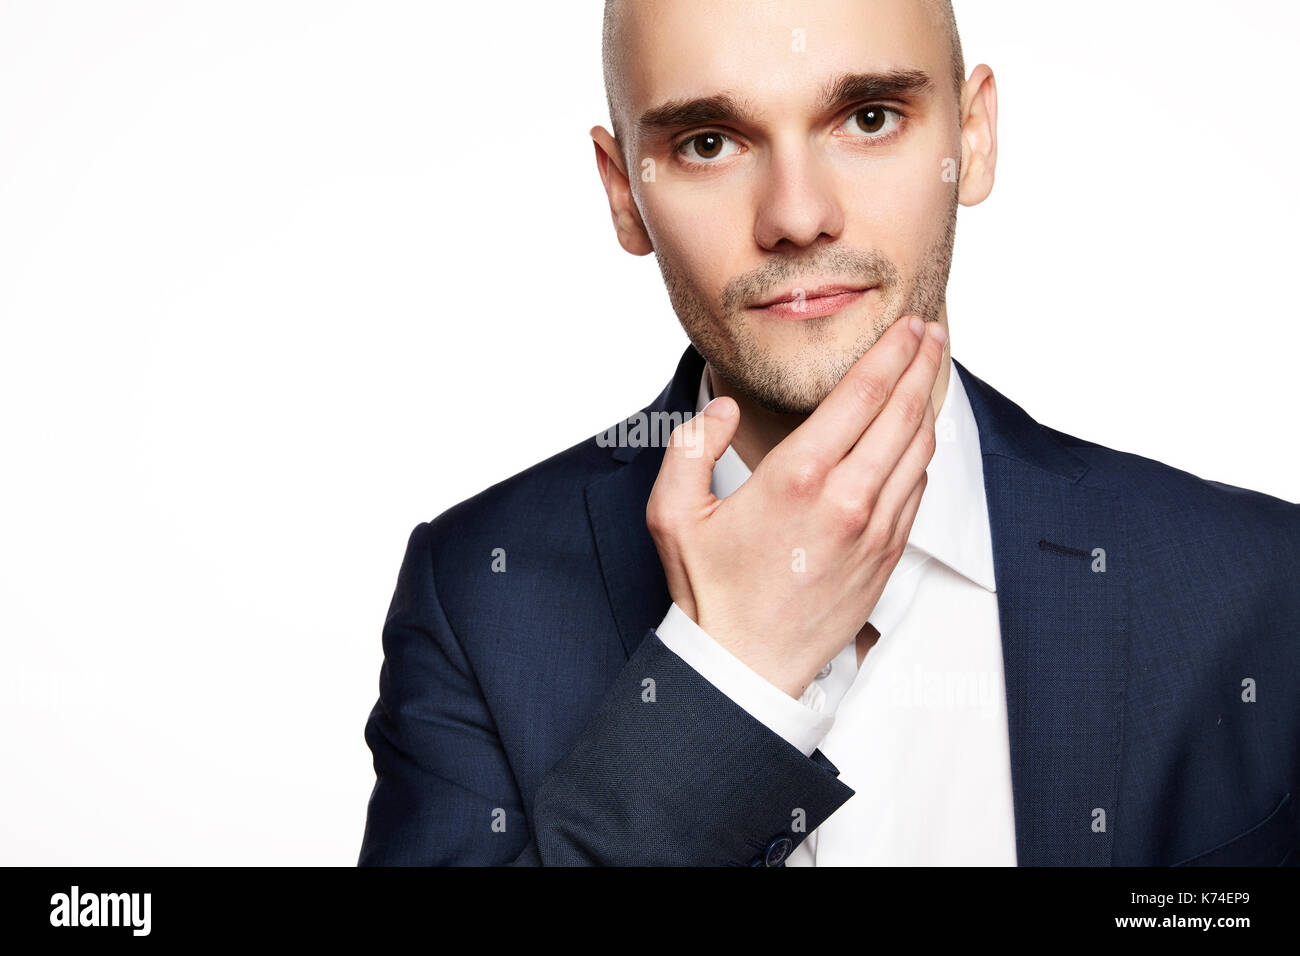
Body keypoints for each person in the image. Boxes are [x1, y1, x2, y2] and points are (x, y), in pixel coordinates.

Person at [358, 0, 1300, 866]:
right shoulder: (479, 599)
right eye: (710, 141)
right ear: (622, 193)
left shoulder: (1260, 588)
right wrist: (729, 679)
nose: (798, 217)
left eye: (870, 118)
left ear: (971, 139)